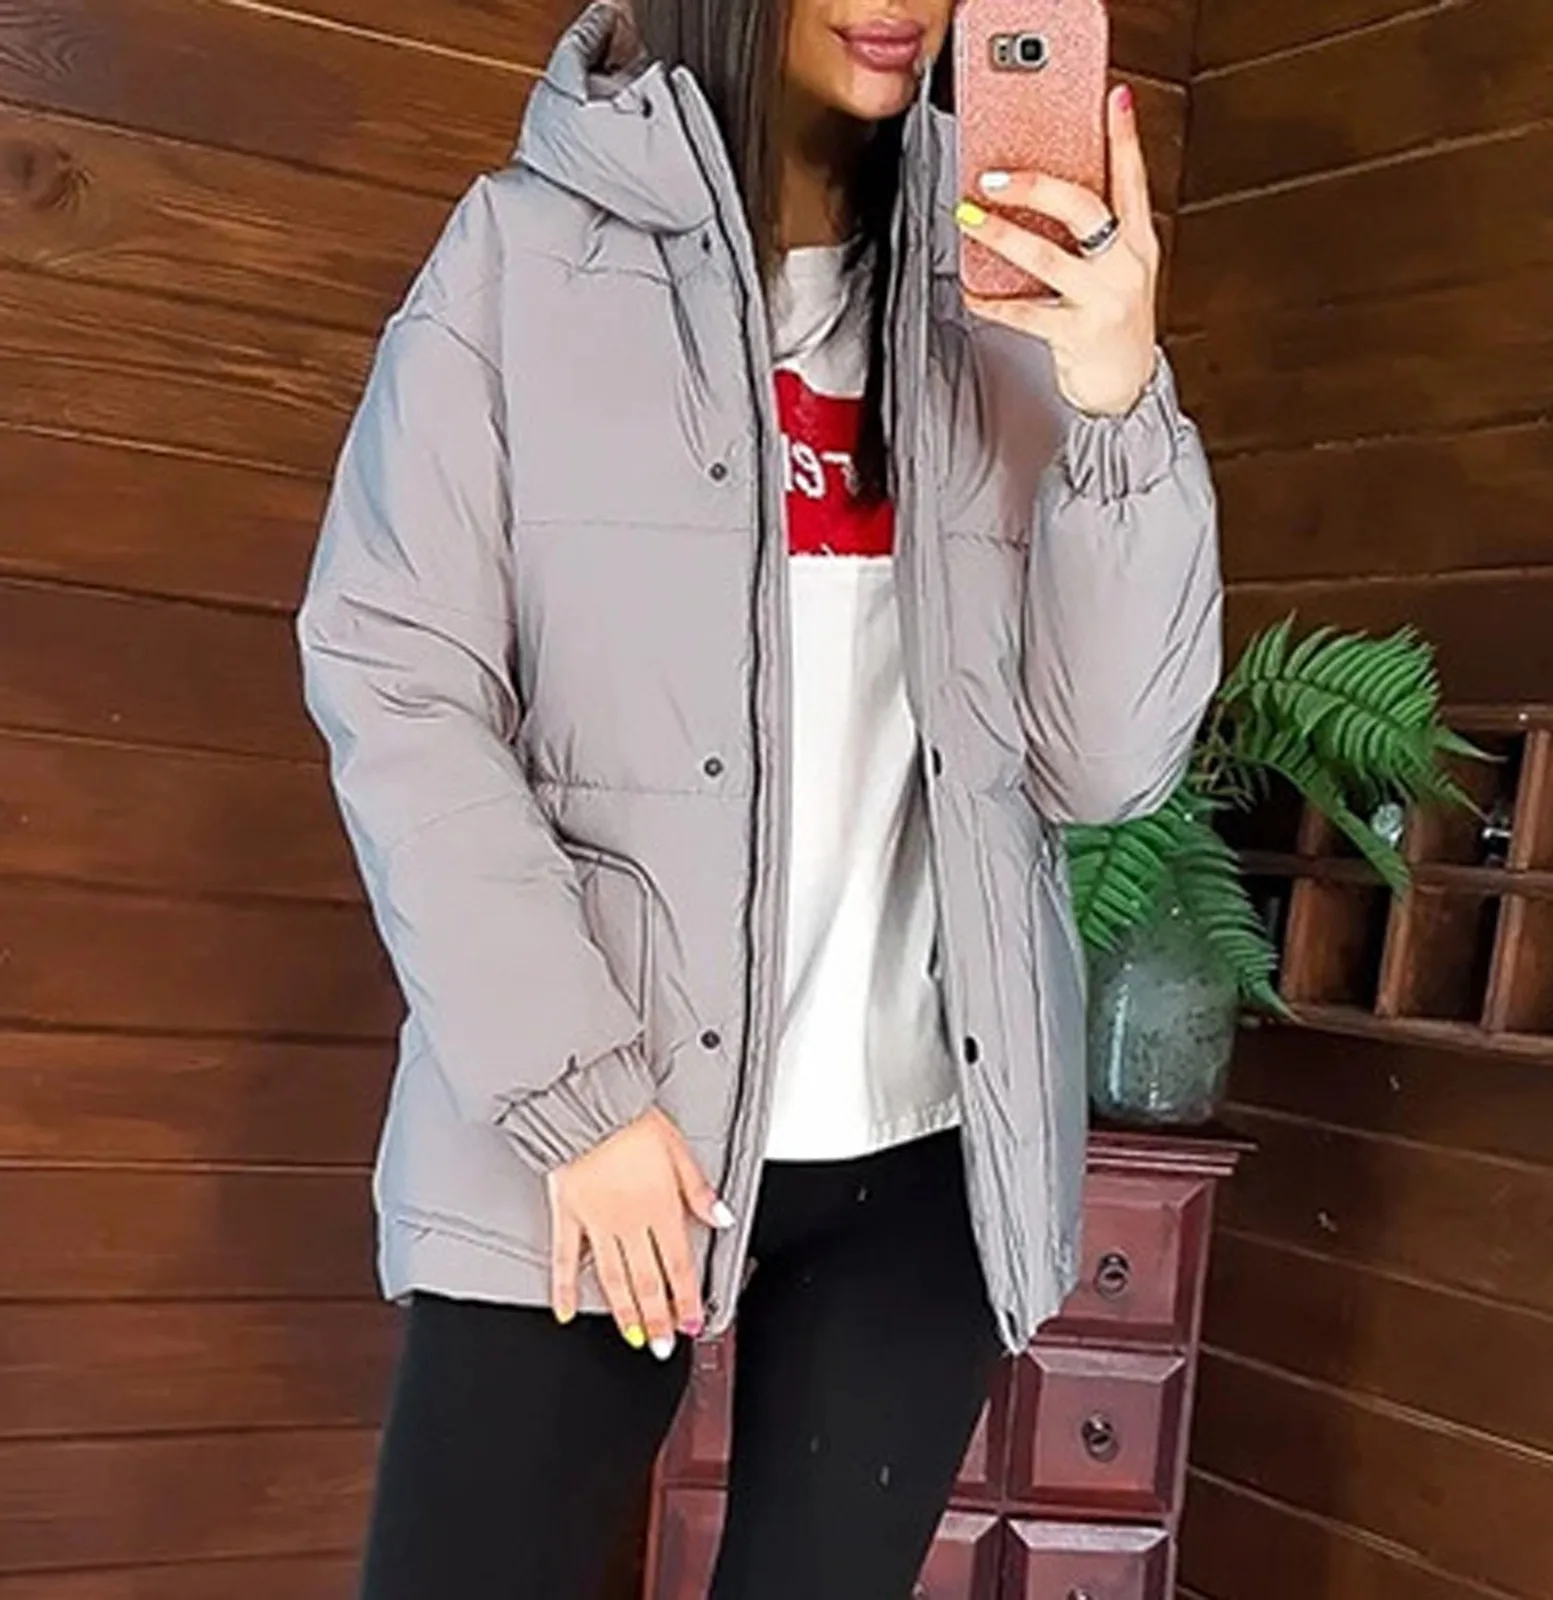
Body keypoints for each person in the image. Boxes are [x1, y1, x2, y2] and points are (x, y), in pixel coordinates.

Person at [297, 1, 1221, 1595]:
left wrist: (1121, 407)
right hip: (594, 1142)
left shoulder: (1009, 297)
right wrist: (579, 1097)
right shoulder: (523, 260)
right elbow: (401, 682)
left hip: (924, 1153)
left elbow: (1105, 761)